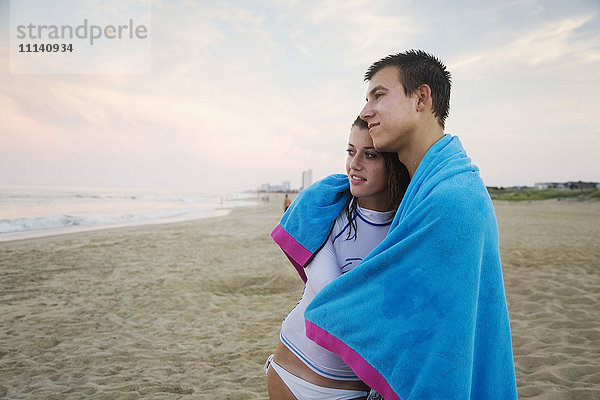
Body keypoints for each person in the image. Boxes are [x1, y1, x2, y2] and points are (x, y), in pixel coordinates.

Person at [301, 50, 518, 399]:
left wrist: (321, 265)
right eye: (366, 99)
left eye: (379, 96)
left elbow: (414, 327)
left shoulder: (451, 200)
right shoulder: (433, 185)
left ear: (421, 98)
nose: (364, 111)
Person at [267, 117, 409, 400]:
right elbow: (330, 296)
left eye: (369, 154)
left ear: (394, 163)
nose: (354, 164)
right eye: (350, 151)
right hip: (287, 368)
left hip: (347, 389)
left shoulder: (406, 230)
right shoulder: (326, 209)